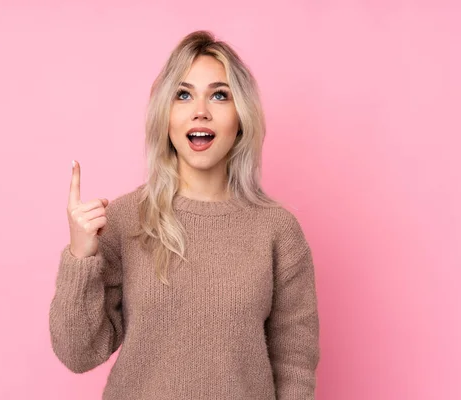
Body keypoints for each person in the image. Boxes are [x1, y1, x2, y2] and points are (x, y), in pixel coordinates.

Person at [49, 30, 320, 399]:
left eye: (220, 95)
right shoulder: (127, 219)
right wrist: (80, 257)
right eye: (183, 94)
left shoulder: (277, 231)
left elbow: (294, 365)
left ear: (241, 117)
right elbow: (78, 354)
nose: (201, 111)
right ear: (166, 115)